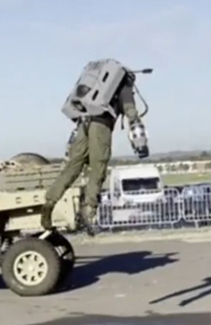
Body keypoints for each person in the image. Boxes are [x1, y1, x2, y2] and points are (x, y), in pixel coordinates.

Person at [41, 70, 144, 235]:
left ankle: (49, 204)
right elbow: (131, 113)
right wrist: (140, 142)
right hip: (101, 125)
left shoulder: (97, 88)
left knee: (72, 167)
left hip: (83, 123)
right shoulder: (123, 89)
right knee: (98, 169)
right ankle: (89, 214)